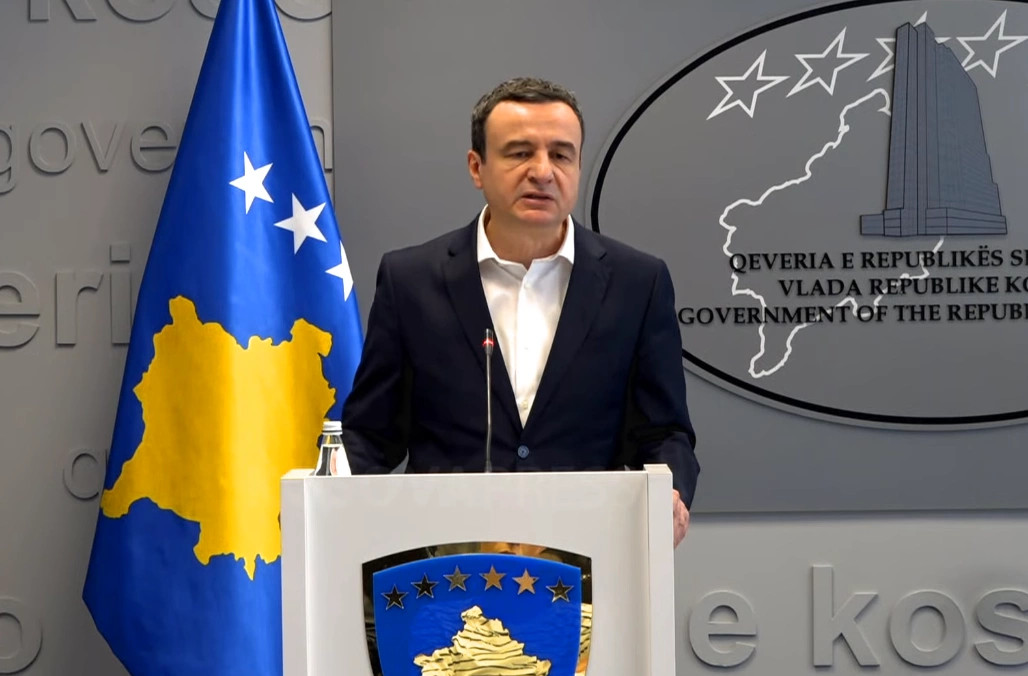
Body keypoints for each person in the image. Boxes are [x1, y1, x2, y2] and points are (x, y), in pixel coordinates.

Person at [340, 77, 698, 546]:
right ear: (477, 167)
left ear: (579, 166)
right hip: (445, 561)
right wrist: (322, 500)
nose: (542, 171)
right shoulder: (410, 280)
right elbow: (372, 434)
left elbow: (665, 431)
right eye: (519, 153)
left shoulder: (637, 283)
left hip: (586, 555)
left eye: (561, 155)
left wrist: (670, 490)